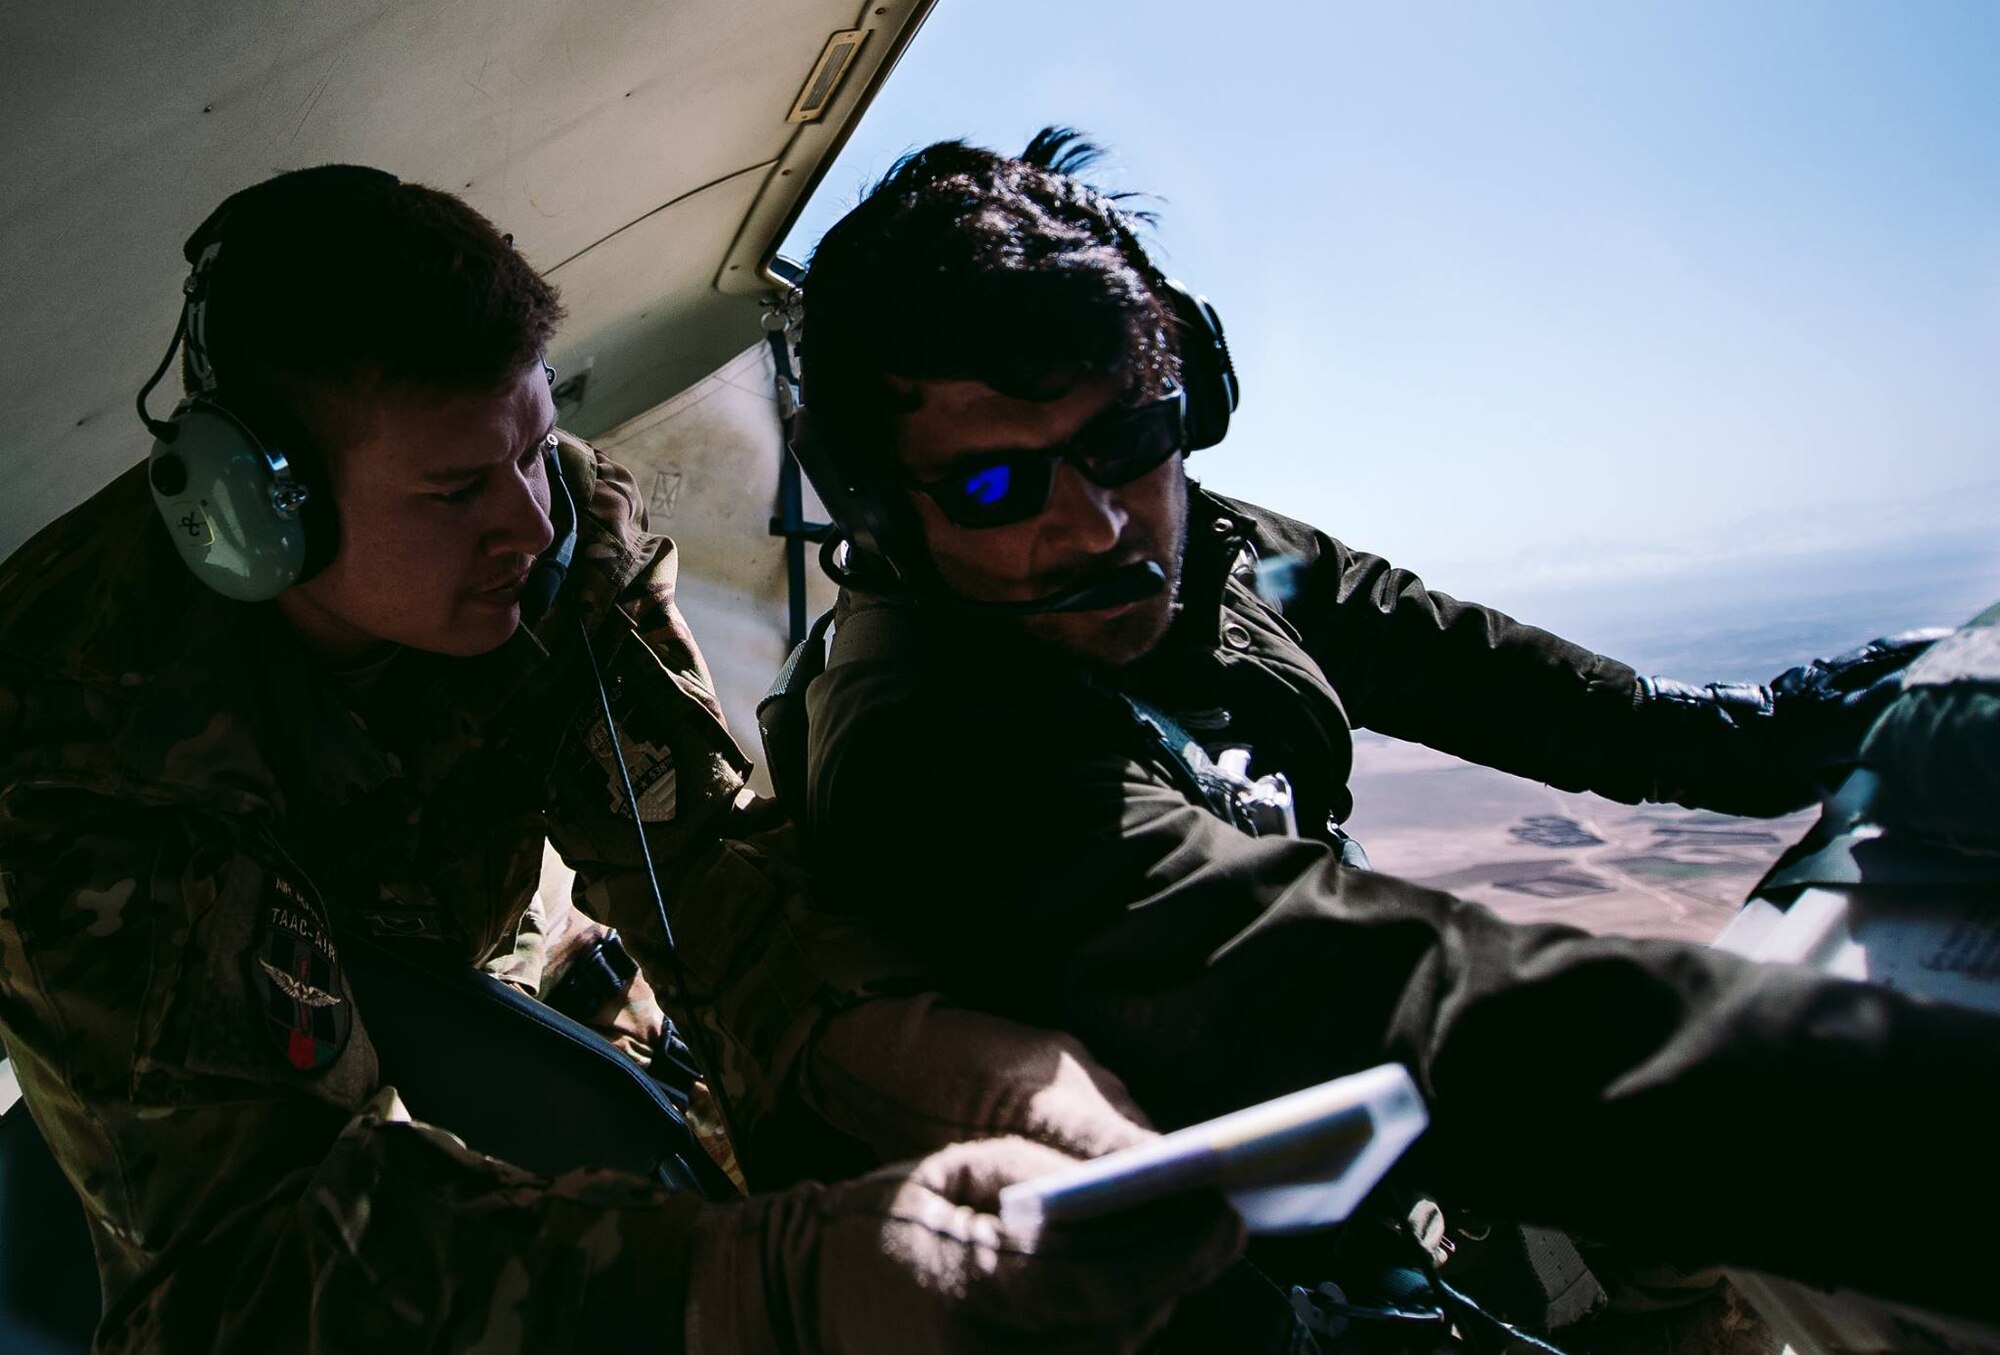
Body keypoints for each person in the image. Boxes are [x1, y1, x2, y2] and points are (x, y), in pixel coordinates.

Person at [0, 165, 1242, 1352]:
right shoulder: (72, 717)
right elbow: (242, 1261)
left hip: (449, 974)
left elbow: (703, 870)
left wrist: (961, 1067)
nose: (525, 521)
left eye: (534, 444)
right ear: (260, 511)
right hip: (172, 1102)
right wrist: (763, 1293)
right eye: (450, 492)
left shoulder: (558, 547)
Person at [787, 128, 2000, 1331]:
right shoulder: (928, 749)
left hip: (1386, 1156)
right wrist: (1916, 1115)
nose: (1099, 524)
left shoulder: (1201, 546)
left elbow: (1499, 676)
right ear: (887, 515)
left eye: (1123, 439)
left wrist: (1788, 728)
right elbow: (1331, 995)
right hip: (1254, 1265)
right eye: (996, 487)